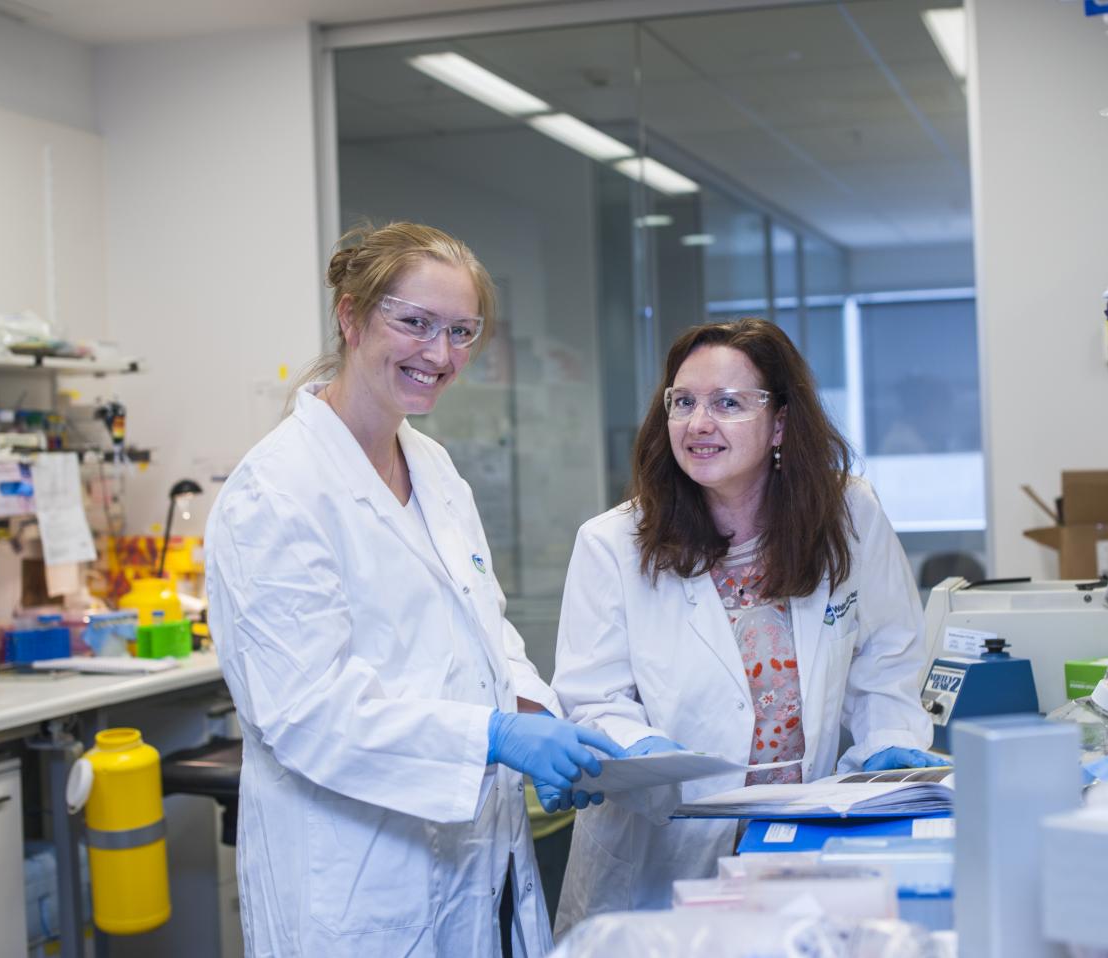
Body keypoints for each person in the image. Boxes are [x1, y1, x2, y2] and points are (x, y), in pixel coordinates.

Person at [205, 222, 622, 957]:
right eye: (416, 323)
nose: (441, 355)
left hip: (474, 856)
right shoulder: (276, 491)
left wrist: (539, 716)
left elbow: (485, 631)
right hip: (356, 875)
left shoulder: (433, 468)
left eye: (462, 331)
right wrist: (494, 737)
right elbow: (307, 711)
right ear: (350, 315)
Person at [550, 318, 938, 933]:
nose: (699, 424)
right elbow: (593, 696)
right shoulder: (612, 542)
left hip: (798, 840)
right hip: (661, 850)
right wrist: (641, 751)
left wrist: (887, 739)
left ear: (780, 422)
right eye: (684, 402)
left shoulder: (848, 514)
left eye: (728, 403)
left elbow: (887, 656)